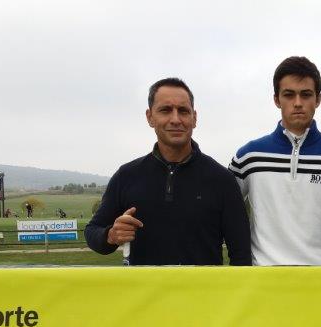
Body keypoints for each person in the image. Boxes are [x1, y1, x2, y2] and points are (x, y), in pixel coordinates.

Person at [85, 77, 251, 265]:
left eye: (183, 111)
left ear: (194, 118)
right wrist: (111, 236)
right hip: (145, 294)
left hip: (204, 294)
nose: (175, 119)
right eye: (165, 110)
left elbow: (241, 253)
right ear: (150, 117)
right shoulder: (127, 176)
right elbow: (92, 231)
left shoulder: (222, 180)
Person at [229, 56, 321, 265]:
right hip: (264, 282)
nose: (298, 103)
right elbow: (225, 211)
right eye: (289, 95)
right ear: (277, 99)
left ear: (318, 99)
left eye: (306, 95)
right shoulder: (249, 157)